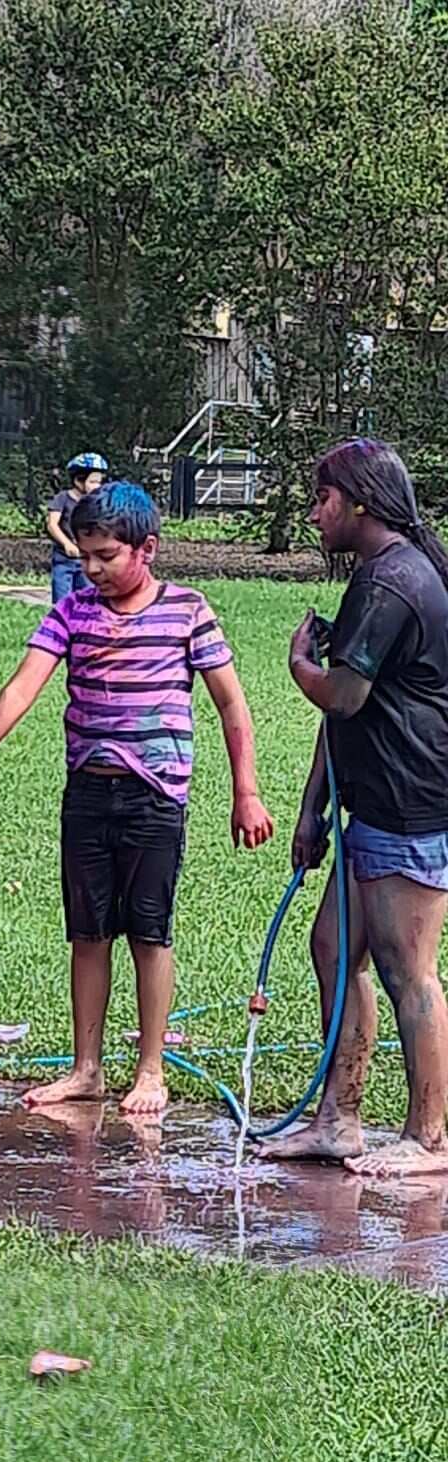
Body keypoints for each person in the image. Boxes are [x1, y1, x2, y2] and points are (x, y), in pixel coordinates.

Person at [0, 481, 273, 1117]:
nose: (90, 568)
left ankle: (150, 1070)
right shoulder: (73, 613)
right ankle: (86, 1068)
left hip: (155, 797)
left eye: (105, 556)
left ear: (146, 549)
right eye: (84, 555)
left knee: (149, 931)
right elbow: (21, 689)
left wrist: (246, 791)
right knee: (88, 932)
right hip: (88, 793)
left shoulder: (188, 611)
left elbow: (231, 704)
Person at [267, 439, 448, 1179]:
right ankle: (339, 1120)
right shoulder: (381, 576)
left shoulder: (393, 583)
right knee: (336, 951)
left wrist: (298, 664)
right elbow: (343, 717)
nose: (314, 515)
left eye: (323, 499)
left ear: (361, 502)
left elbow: (342, 695)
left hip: (410, 802)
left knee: (410, 970)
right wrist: (312, 810)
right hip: (370, 801)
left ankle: (429, 1137)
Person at [46, 452, 109, 604]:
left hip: (86, 560)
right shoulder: (63, 499)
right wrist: (67, 543)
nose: (97, 486)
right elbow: (52, 524)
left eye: (99, 482)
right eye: (93, 482)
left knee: (87, 599)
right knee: (62, 601)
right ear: (78, 481)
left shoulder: (94, 503)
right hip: (64, 560)